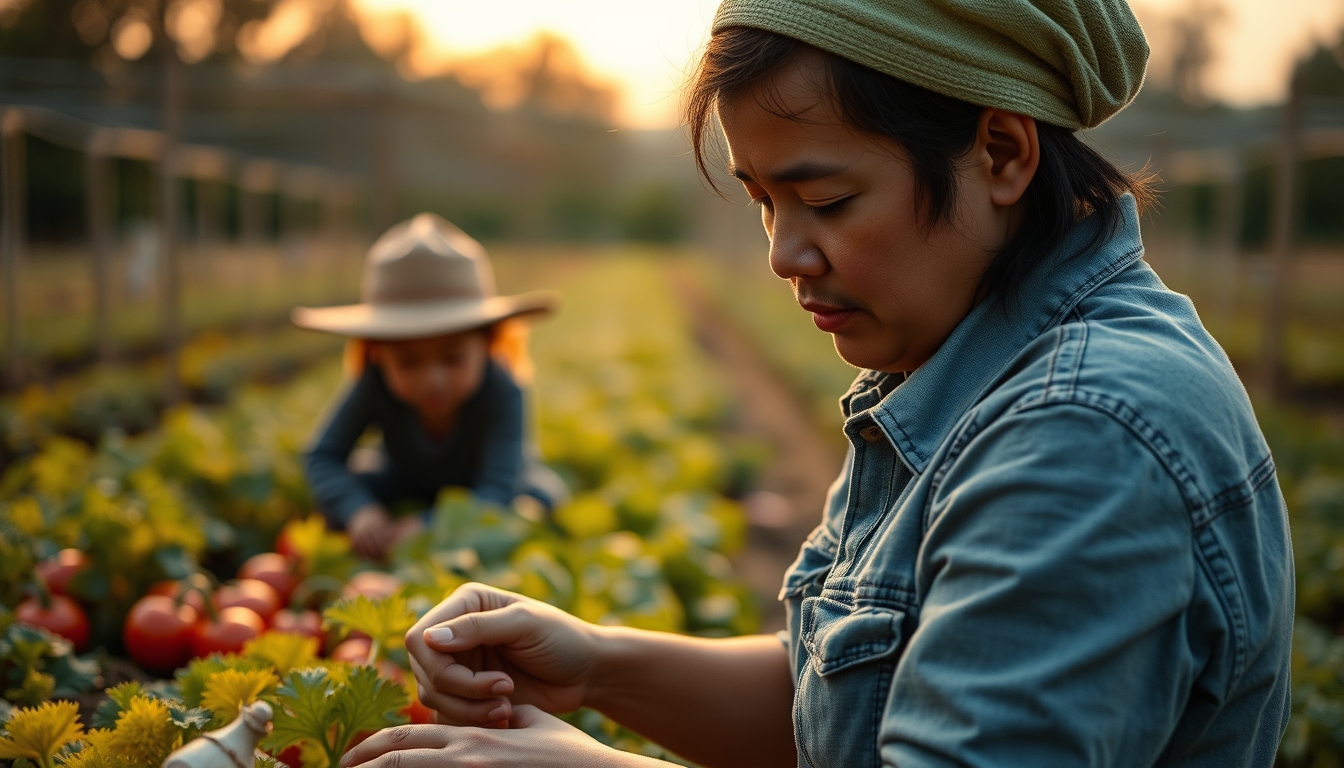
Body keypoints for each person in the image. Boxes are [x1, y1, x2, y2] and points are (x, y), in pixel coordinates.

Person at [342, 1, 1294, 766]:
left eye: (828, 200)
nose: (784, 253)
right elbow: (841, 704)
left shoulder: (1083, 437)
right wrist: (596, 664)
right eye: (763, 201)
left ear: (1001, 153)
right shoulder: (951, 368)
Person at [294, 213, 562, 561]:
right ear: (376, 353)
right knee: (343, 493)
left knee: (535, 501)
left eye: (453, 359)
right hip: (402, 479)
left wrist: (430, 525)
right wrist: (360, 511)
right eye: (408, 363)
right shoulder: (374, 382)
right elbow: (322, 455)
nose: (433, 379)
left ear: (489, 342)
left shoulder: (503, 390)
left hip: (485, 489)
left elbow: (497, 489)